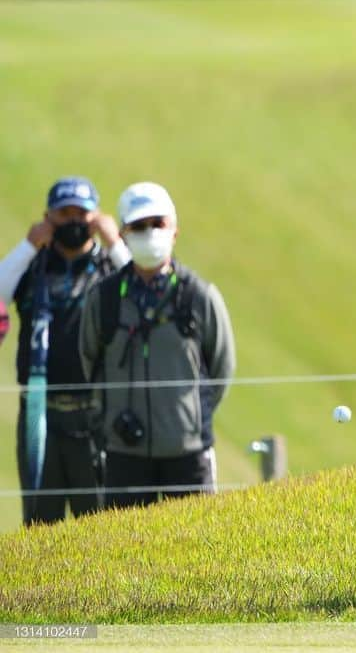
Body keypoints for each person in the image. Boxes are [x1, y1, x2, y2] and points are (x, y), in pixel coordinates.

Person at [79, 182, 236, 509]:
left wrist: (191, 419)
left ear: (174, 231)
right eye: (138, 225)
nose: (149, 232)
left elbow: (221, 367)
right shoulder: (104, 299)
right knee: (126, 552)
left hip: (189, 454)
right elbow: (90, 361)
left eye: (157, 224)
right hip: (124, 453)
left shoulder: (199, 295)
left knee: (198, 551)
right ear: (122, 234)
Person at [0, 177, 130, 526]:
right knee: (41, 524)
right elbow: (0, 289)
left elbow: (140, 285)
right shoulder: (33, 267)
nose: (73, 222)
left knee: (102, 522)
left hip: (96, 415)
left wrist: (114, 241)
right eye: (64, 214)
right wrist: (29, 246)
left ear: (96, 217)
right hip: (40, 415)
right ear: (48, 217)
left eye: (82, 214)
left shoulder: (109, 268)